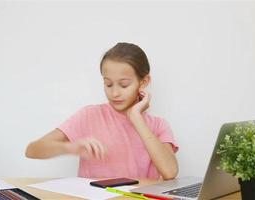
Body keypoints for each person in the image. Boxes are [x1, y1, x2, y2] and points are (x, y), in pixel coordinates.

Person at [25, 42, 179, 180]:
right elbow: (32, 150)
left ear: (143, 82)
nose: (115, 93)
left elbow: (170, 172)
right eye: (108, 84)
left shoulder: (158, 126)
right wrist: (70, 147)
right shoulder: (89, 115)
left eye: (124, 85)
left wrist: (136, 118)